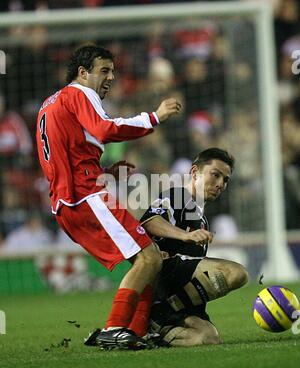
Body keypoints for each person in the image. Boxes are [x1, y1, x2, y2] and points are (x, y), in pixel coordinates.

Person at [35, 44, 181, 350]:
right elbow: (103, 130)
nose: (111, 77)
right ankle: (115, 328)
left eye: (113, 71)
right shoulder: (79, 93)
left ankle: (135, 332)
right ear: (83, 72)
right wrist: (153, 117)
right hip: (86, 196)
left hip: (67, 202)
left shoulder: (49, 105)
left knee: (149, 258)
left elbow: (68, 151)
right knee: (149, 257)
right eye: (104, 70)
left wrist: (100, 170)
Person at [139, 148, 249, 347]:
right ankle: (161, 312)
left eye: (225, 180)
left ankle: (152, 334)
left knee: (208, 337)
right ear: (195, 173)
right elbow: (149, 221)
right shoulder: (179, 196)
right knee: (235, 273)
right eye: (215, 175)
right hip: (166, 278)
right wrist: (185, 235)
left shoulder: (203, 219)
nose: (220, 184)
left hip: (182, 295)